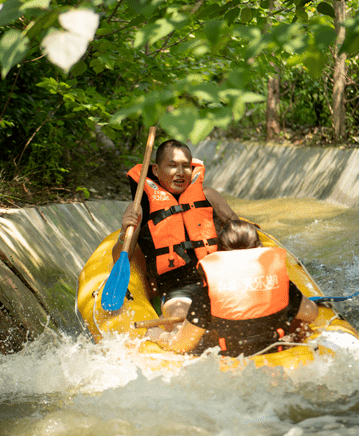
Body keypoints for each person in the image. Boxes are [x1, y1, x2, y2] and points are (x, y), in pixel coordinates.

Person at [111, 139, 239, 328]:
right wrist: (124, 232)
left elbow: (241, 233)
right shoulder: (140, 208)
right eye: (172, 166)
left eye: (186, 166)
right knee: (185, 322)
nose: (180, 173)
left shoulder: (208, 195)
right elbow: (120, 256)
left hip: (222, 280)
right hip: (179, 290)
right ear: (155, 170)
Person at [147, 219, 318, 357]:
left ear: (220, 252)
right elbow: (312, 314)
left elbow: (181, 345)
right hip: (278, 356)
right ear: (258, 248)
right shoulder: (278, 281)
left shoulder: (208, 293)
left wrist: (157, 335)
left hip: (231, 366)